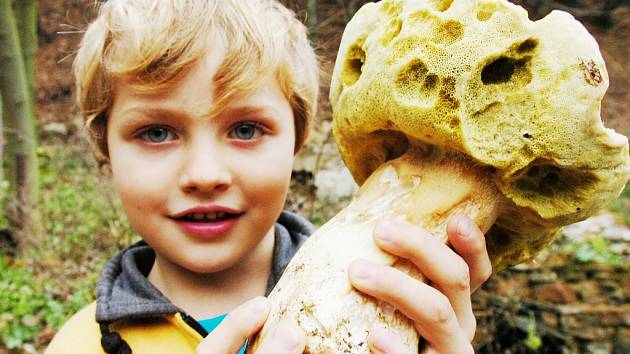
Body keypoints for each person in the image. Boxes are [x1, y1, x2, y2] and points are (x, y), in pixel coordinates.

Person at [45, 1, 493, 353]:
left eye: (245, 129)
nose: (205, 175)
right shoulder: (79, 346)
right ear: (105, 148)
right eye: (156, 132)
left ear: (297, 137)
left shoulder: (398, 305)